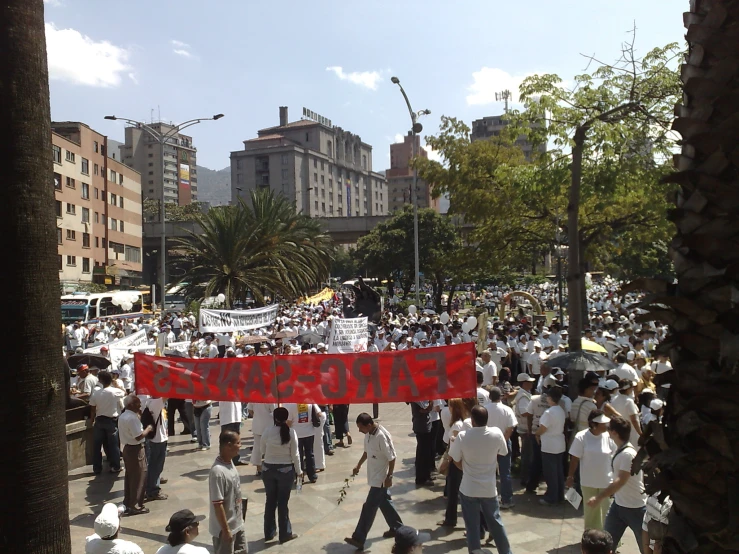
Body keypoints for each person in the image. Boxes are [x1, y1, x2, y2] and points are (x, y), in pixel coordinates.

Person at [449, 405, 512, 554]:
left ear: (472, 420)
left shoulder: (463, 436)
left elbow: (455, 459)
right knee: (496, 524)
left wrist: (466, 468)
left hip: (469, 488)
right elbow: (503, 452)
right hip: (489, 488)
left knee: (472, 527)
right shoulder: (496, 433)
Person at [587, 416, 647, 553]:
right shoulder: (619, 449)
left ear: (614, 432)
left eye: (609, 429)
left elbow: (620, 481)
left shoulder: (628, 454)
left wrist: (599, 497)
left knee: (646, 549)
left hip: (636, 508)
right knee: (605, 545)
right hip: (618, 506)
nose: (607, 431)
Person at [344, 413, 403, 551]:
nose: (359, 430)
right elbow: (366, 452)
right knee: (385, 503)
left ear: (369, 425)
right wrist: (358, 465)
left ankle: (358, 538)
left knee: (369, 508)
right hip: (374, 475)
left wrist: (389, 476)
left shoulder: (382, 436)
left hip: (381, 479)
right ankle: (398, 529)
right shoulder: (368, 434)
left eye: (360, 428)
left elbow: (392, 458)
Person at [567, 410, 615, 530]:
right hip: (588, 481)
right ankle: (591, 536)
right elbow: (574, 458)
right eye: (602, 424)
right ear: (594, 424)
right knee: (590, 512)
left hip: (606, 482)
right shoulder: (581, 437)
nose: (606, 426)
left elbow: (615, 457)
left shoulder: (609, 437)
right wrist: (570, 476)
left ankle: (610, 537)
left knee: (608, 511)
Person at [259, 407, 300, 544]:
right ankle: (285, 533)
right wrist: (299, 471)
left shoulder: (268, 431)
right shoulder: (291, 432)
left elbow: (262, 450)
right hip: (286, 470)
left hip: (268, 469)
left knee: (270, 501)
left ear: (274, 418)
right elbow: (295, 455)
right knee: (283, 503)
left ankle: (269, 532)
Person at [209, 430, 247, 554]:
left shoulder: (230, 462)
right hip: (225, 530)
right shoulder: (218, 472)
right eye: (238, 443)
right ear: (228, 445)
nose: (240, 446)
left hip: (237, 524)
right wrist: (225, 531)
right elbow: (217, 504)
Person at [118, 395, 154, 515]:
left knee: (130, 477)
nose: (140, 405)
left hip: (128, 449)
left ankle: (128, 502)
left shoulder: (124, 415)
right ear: (130, 405)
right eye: (137, 403)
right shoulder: (131, 418)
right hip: (135, 450)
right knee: (139, 477)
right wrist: (148, 429)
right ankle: (135, 505)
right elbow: (138, 436)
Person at [438, 398, 470, 527]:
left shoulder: (457, 425)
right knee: (453, 491)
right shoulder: (459, 423)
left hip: (455, 461)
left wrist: (447, 461)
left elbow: (455, 445)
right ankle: (450, 518)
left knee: (453, 491)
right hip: (457, 459)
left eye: (450, 406)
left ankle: (451, 519)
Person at [483, 387, 517, 509]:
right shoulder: (507, 410)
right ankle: (507, 499)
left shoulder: (485, 410)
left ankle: (487, 498)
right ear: (501, 396)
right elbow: (510, 428)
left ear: (489, 397)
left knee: (488, 471)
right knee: (505, 472)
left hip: (487, 444)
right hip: (504, 443)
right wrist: (503, 440)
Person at [89, 371, 124, 474]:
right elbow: (124, 392)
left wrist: (92, 420)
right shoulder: (115, 392)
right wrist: (116, 384)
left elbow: (92, 409)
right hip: (111, 421)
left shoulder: (96, 393)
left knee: (97, 446)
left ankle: (97, 468)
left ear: (100, 380)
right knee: (114, 445)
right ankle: (115, 466)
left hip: (99, 421)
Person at [536, 385, 566, 506]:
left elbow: (543, 428)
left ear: (550, 398)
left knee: (551, 472)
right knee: (558, 471)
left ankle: (551, 497)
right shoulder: (560, 410)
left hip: (549, 445)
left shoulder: (549, 412)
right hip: (559, 443)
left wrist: (536, 434)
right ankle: (559, 494)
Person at [143, 395, 168, 501]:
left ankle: (152, 487)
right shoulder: (155, 402)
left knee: (156, 466)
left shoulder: (151, 401)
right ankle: (152, 490)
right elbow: (169, 393)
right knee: (155, 466)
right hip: (157, 440)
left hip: (160, 438)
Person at [411, 400, 436, 486]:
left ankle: (427, 475)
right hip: (421, 428)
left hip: (425, 426)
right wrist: (431, 401)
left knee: (427, 453)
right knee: (422, 454)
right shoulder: (417, 400)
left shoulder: (423, 399)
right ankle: (421, 478)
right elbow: (426, 409)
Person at [249, 402, 276, 475]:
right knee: (269, 448)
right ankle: (269, 467)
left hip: (257, 425)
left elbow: (250, 410)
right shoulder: (269, 397)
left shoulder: (253, 395)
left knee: (257, 448)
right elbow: (274, 411)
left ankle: (259, 468)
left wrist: (257, 416)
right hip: (268, 426)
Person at [219, 401, 244, 465]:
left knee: (236, 440)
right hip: (227, 418)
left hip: (236, 416)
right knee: (226, 441)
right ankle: (224, 460)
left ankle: (236, 459)